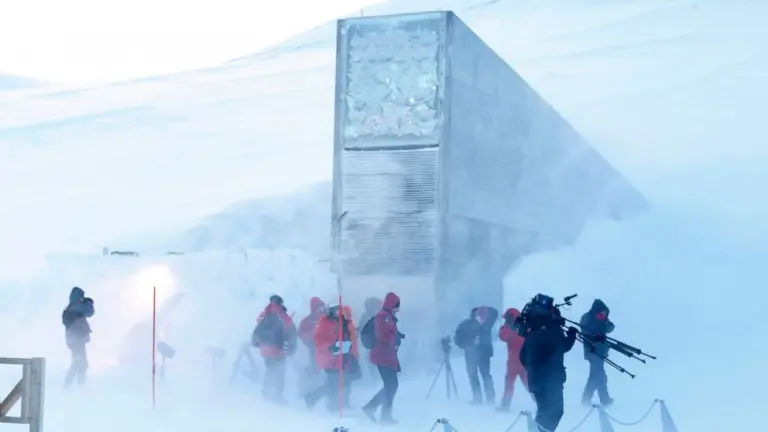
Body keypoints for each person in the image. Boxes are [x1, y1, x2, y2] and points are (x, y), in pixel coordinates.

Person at [520, 308, 577, 432]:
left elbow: (523, 356)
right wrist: (572, 336)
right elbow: (562, 346)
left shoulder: (534, 331)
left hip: (534, 380)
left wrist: (532, 369)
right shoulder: (555, 331)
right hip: (552, 379)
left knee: (544, 410)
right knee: (555, 411)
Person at [304, 304, 360, 412]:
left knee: (335, 383)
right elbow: (319, 340)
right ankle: (329, 405)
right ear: (331, 311)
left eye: (340, 310)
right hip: (329, 359)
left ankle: (313, 398)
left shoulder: (338, 322)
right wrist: (331, 346)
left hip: (338, 358)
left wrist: (346, 344)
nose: (338, 312)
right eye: (336, 310)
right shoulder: (325, 323)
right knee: (334, 384)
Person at [362, 292, 403, 425]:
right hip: (383, 356)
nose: (398, 310)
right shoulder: (384, 317)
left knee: (391, 385)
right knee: (391, 385)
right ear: (391, 306)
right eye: (397, 307)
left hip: (386, 356)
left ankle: (382, 413)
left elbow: (387, 332)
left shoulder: (387, 317)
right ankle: (374, 409)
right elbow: (383, 336)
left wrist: (397, 334)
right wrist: (395, 338)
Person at [252, 294, 297, 403]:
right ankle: (277, 396)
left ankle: (267, 394)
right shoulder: (281, 315)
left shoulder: (264, 314)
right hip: (278, 349)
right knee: (279, 374)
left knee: (270, 372)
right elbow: (290, 331)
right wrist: (292, 347)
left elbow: (257, 331)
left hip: (266, 349)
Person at [454, 306, 498, 405]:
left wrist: (484, 309)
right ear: (475, 316)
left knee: (486, 375)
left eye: (484, 318)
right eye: (480, 317)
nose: (481, 320)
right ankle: (477, 397)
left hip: (485, 354)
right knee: (473, 375)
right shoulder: (466, 324)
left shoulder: (488, 324)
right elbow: (458, 337)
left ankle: (490, 397)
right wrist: (466, 345)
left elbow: (495, 312)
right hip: (471, 355)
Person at [580, 299, 615, 407]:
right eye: (602, 312)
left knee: (595, 375)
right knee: (600, 376)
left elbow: (610, 327)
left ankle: (587, 398)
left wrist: (604, 321)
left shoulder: (602, 319)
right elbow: (585, 330)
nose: (603, 314)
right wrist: (595, 333)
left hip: (601, 351)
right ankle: (604, 399)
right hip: (592, 351)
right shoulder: (587, 317)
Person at [62, 287, 95, 389]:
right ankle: (73, 382)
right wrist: (89, 302)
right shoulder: (76, 307)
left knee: (78, 360)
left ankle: (74, 381)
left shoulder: (70, 307)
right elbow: (90, 312)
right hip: (78, 339)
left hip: (74, 339)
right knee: (80, 361)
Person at [498, 308, 529, 411]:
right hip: (524, 362)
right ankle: (541, 403)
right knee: (528, 385)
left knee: (509, 384)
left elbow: (503, 336)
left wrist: (507, 326)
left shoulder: (510, 328)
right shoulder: (525, 326)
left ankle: (505, 406)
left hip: (515, 362)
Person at [298, 297, 327, 370]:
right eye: (318, 308)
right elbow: (300, 333)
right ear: (313, 309)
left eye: (322, 308)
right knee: (315, 363)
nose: (321, 310)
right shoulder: (307, 321)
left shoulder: (328, 318)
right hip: (313, 347)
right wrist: (307, 337)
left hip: (328, 347)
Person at [359, 297, 383, 381]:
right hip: (370, 344)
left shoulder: (380, 315)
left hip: (378, 344)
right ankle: (375, 379)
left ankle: (377, 378)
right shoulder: (366, 316)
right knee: (372, 362)